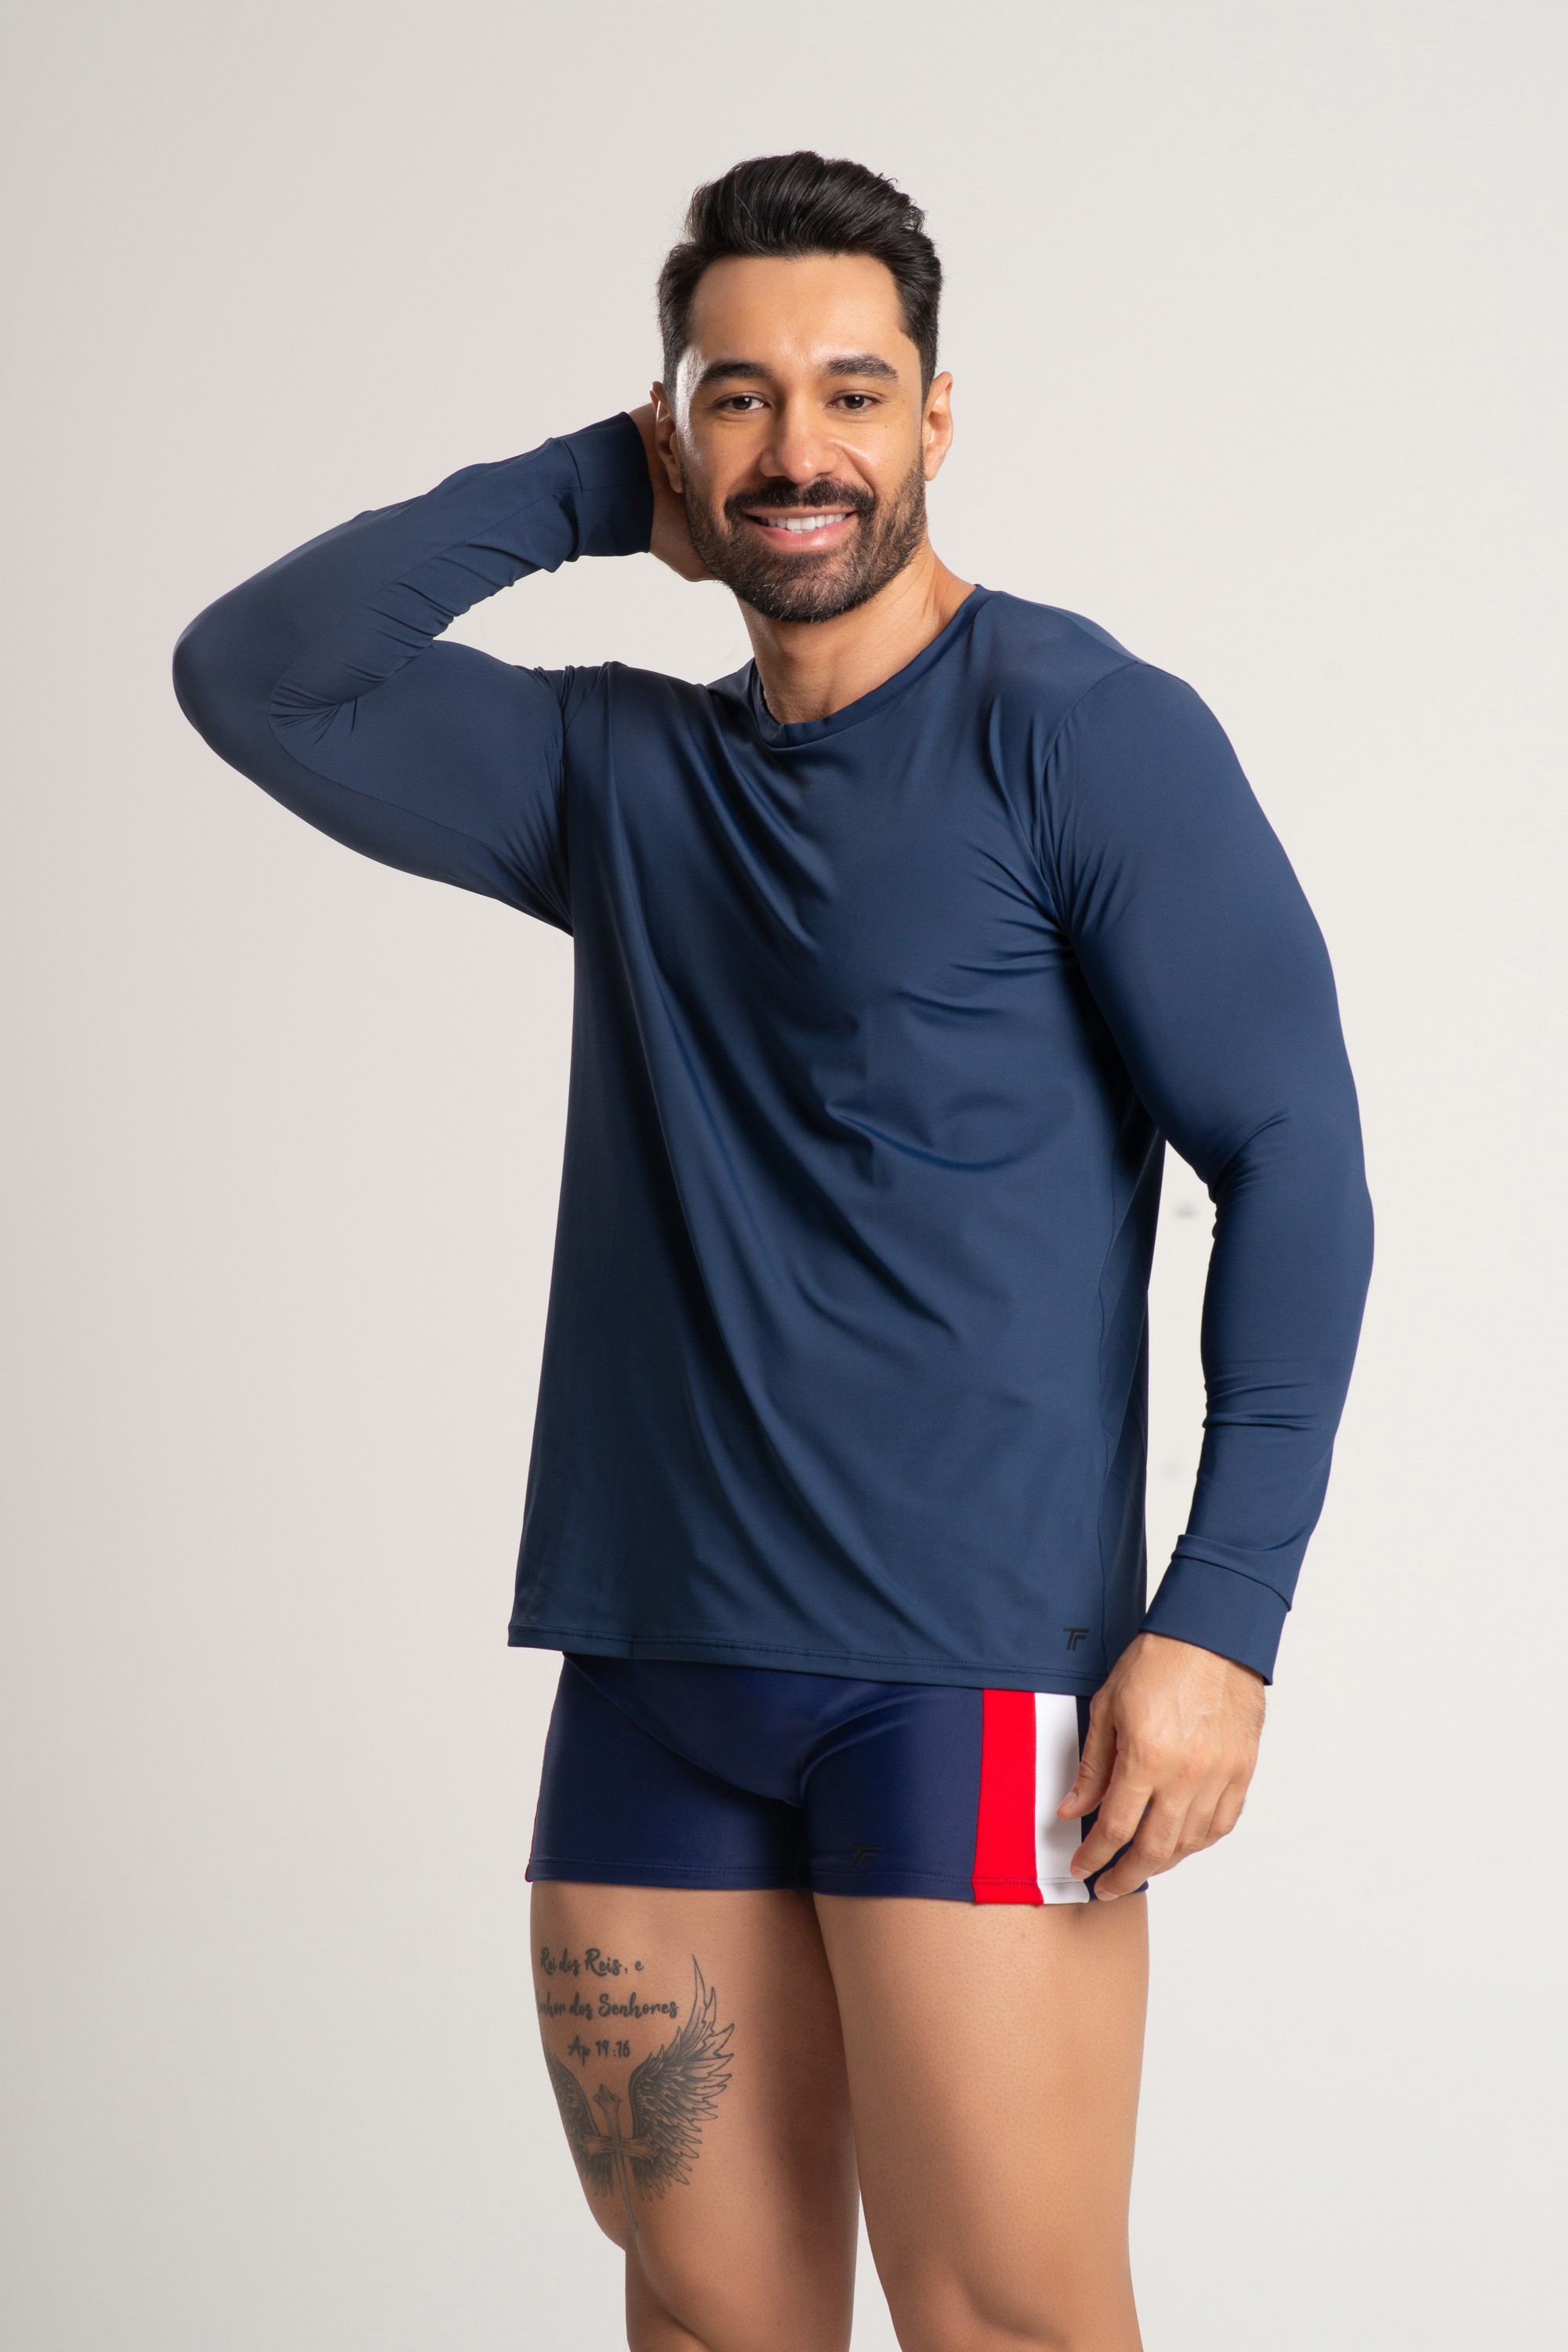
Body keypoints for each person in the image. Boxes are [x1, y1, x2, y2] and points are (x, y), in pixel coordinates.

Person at [172, 151, 1373, 2352]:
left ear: (938, 417)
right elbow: (259, 676)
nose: (797, 449)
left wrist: (1224, 1615)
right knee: (711, 2323)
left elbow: (1296, 1162)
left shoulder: (1082, 734)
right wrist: (580, 489)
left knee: (1007, 2320)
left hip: (970, 1677)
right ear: (676, 428)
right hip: (654, 1670)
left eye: (851, 391)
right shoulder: (614, 777)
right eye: (738, 397)